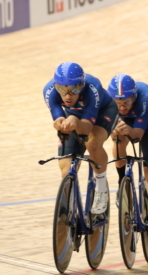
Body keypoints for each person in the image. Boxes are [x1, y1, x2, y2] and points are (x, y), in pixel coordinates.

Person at [43, 62, 118, 214]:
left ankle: (101, 188)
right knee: (66, 168)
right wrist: (60, 124)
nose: (68, 96)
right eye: (62, 90)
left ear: (82, 85)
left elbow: (87, 129)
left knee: (92, 143)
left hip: (102, 112)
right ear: (56, 86)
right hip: (75, 117)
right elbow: (57, 118)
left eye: (74, 89)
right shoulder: (49, 91)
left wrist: (74, 121)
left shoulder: (93, 87)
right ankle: (69, 208)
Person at [107, 74, 148, 253]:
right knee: (117, 140)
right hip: (128, 124)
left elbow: (138, 136)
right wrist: (114, 131)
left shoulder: (145, 97)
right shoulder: (109, 103)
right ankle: (121, 181)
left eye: (126, 102)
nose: (122, 107)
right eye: (118, 103)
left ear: (134, 97)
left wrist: (128, 129)